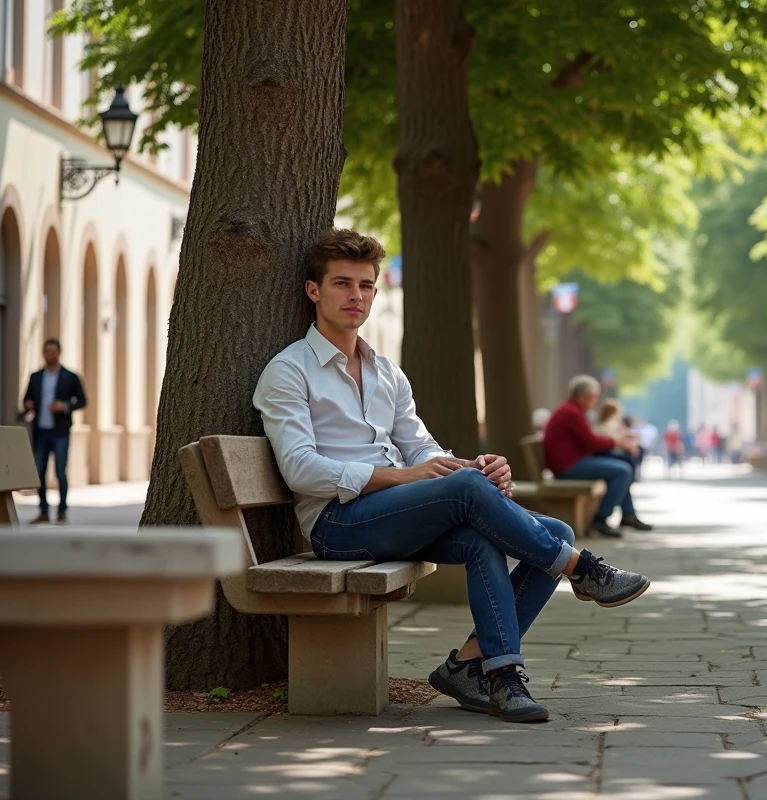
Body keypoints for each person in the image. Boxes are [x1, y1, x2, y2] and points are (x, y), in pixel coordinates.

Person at [253, 229, 651, 723]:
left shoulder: (387, 373)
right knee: (509, 517)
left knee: (551, 531)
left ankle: (486, 671)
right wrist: (407, 478)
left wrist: (471, 467)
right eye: (341, 284)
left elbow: (421, 447)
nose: (355, 296)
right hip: (338, 523)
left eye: (365, 286)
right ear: (314, 291)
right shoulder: (289, 370)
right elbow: (299, 469)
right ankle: (583, 571)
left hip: (400, 515)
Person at [543, 376, 653, 537]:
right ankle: (600, 519)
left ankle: (628, 514)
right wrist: (616, 441)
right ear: (583, 396)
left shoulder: (571, 410)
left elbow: (589, 440)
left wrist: (616, 441)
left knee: (622, 466)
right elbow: (592, 442)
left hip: (571, 461)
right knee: (622, 471)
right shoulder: (572, 413)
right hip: (568, 466)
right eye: (593, 397)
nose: (595, 401)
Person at [22, 339, 87, 524]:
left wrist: (64, 406)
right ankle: (43, 510)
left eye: (53, 351)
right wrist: (28, 405)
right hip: (41, 431)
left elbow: (82, 400)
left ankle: (62, 511)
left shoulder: (70, 376)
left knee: (60, 471)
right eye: (46, 351)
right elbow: (26, 399)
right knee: (39, 472)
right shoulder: (36, 376)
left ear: (59, 353)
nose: (49, 354)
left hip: (60, 431)